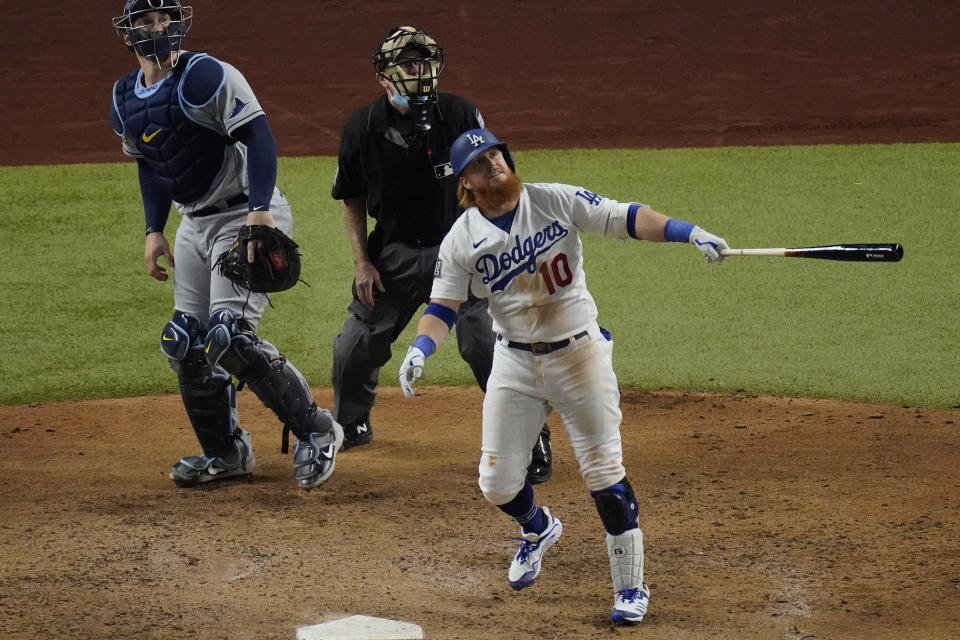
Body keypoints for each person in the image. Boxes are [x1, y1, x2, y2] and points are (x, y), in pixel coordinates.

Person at [397, 128, 731, 624]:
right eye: (479, 161)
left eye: (496, 153)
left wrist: (689, 231)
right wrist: (420, 347)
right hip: (513, 361)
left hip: (579, 355)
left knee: (603, 472)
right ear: (465, 182)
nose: (493, 163)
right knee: (496, 482)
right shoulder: (462, 238)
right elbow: (443, 305)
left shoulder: (554, 199)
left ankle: (630, 589)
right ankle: (538, 528)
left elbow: (625, 217)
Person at [109, 0, 342, 490]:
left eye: (165, 19)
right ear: (127, 34)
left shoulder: (205, 75)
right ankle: (227, 453)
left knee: (229, 337)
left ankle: (318, 430)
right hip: (192, 222)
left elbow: (259, 136)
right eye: (146, 22)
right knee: (185, 342)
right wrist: (154, 230)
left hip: (245, 211)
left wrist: (260, 211)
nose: (158, 28)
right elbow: (151, 164)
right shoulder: (124, 97)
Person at [330, 26, 552, 483]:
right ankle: (351, 421)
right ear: (384, 77)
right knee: (354, 345)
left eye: (424, 62)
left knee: (486, 342)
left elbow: (497, 176)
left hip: (466, 251)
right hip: (393, 253)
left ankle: (531, 437)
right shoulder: (361, 129)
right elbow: (350, 198)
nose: (419, 71)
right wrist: (361, 262)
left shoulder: (459, 114)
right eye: (409, 64)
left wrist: (505, 243)